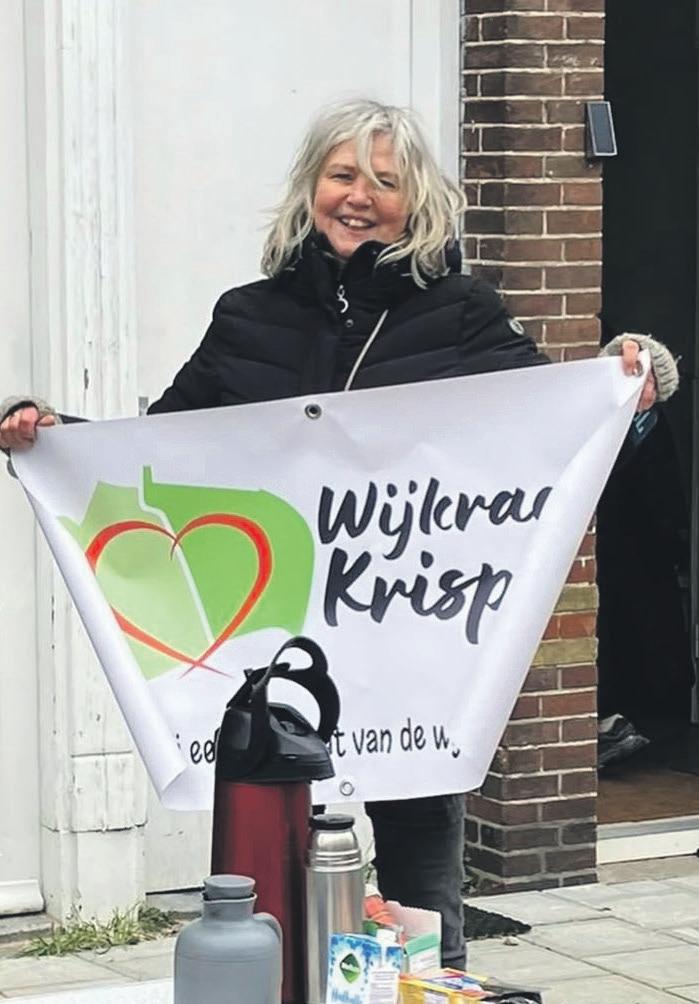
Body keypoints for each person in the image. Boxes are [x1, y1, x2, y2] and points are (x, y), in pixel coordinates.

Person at [0, 99, 678, 968]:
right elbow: (159, 456)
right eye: (342, 174)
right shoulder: (247, 317)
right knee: (266, 875)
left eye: (384, 181)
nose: (359, 197)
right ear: (310, 186)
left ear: (417, 200)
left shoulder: (463, 314)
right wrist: (54, 439)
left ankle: (429, 982)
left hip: (411, 643)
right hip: (272, 644)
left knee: (420, 881)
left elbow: (554, 435)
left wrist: (631, 386)